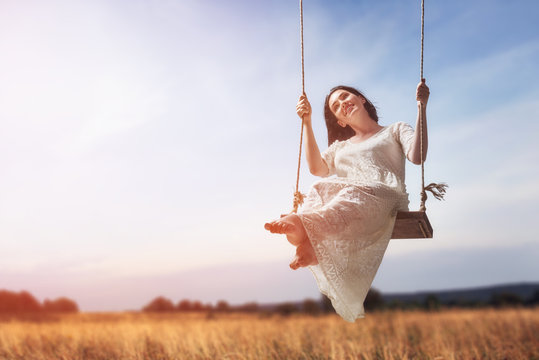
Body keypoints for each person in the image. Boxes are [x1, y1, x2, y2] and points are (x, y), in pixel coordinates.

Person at [264, 80, 430, 321]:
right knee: (321, 187)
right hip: (351, 202)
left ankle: (302, 226)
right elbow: (317, 169)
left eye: (345, 96)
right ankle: (311, 245)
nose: (342, 103)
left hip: (384, 196)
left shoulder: (394, 130)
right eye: (336, 106)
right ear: (340, 121)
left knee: (351, 193)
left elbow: (417, 155)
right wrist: (307, 122)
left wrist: (421, 107)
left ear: (361, 99)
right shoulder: (340, 148)